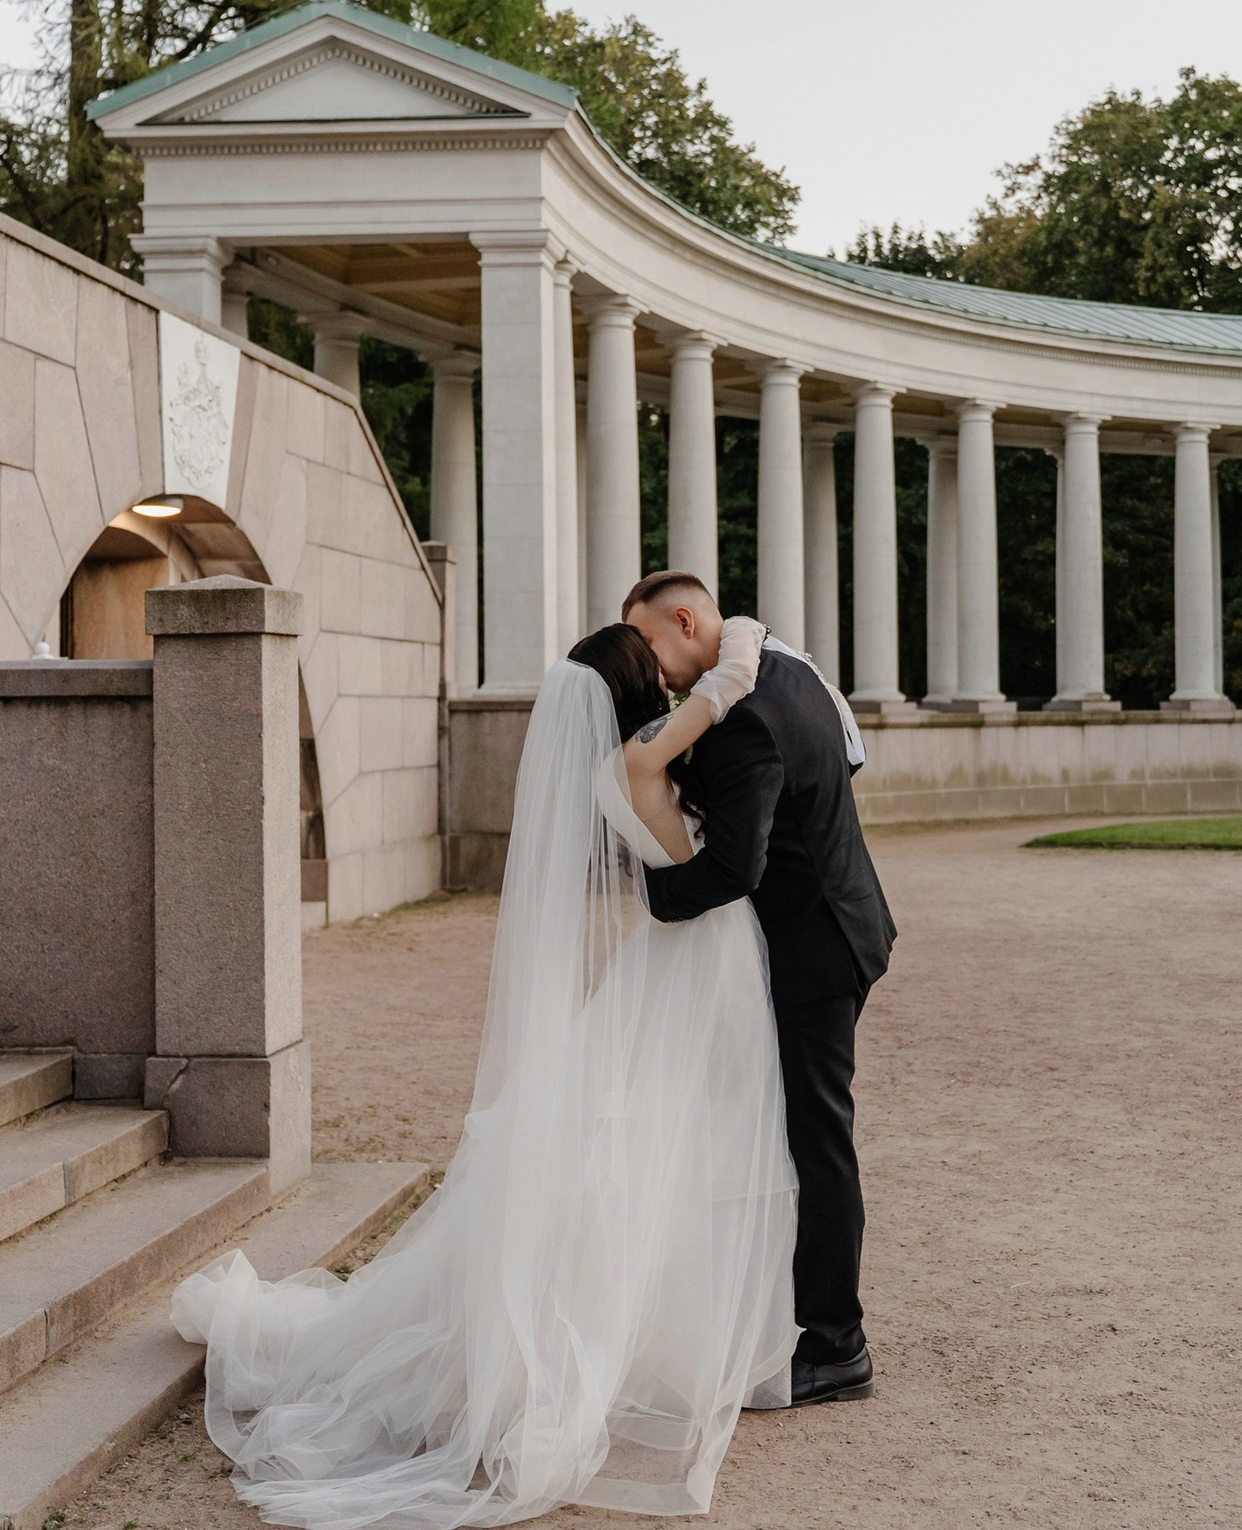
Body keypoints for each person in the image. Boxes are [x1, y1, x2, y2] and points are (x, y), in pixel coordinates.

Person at [171, 616, 796, 1526]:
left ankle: (686, 1343)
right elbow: (716, 696)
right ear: (633, 687)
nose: (667, 680)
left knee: (676, 1149)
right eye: (651, 670)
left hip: (686, 961)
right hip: (699, 967)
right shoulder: (637, 758)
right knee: (681, 1145)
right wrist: (739, 650)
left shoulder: (621, 764)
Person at [622, 570, 897, 1409]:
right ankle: (789, 1310)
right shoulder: (779, 663)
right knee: (796, 1129)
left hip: (817, 947)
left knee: (817, 1139)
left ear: (685, 618)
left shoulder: (743, 721)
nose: (654, 670)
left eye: (653, 647)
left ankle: (838, 1343)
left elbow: (736, 866)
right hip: (837, 921)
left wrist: (655, 895)